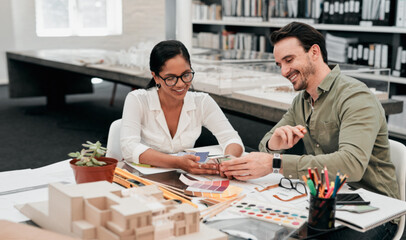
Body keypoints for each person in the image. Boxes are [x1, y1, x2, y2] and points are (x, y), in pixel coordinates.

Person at [219, 22, 399, 239]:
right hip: (327, 201)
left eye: (289, 60)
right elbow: (266, 143)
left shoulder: (355, 97)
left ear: (314, 52)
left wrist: (276, 163)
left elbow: (351, 165)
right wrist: (274, 144)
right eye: (279, 64)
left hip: (375, 212)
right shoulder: (302, 101)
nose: (284, 71)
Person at [120, 40, 244, 175]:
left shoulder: (202, 101)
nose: (180, 84)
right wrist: (177, 162)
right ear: (155, 77)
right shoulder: (137, 99)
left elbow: (231, 138)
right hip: (143, 176)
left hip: (183, 177)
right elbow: (129, 148)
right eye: (171, 78)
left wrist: (228, 162)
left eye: (186, 75)